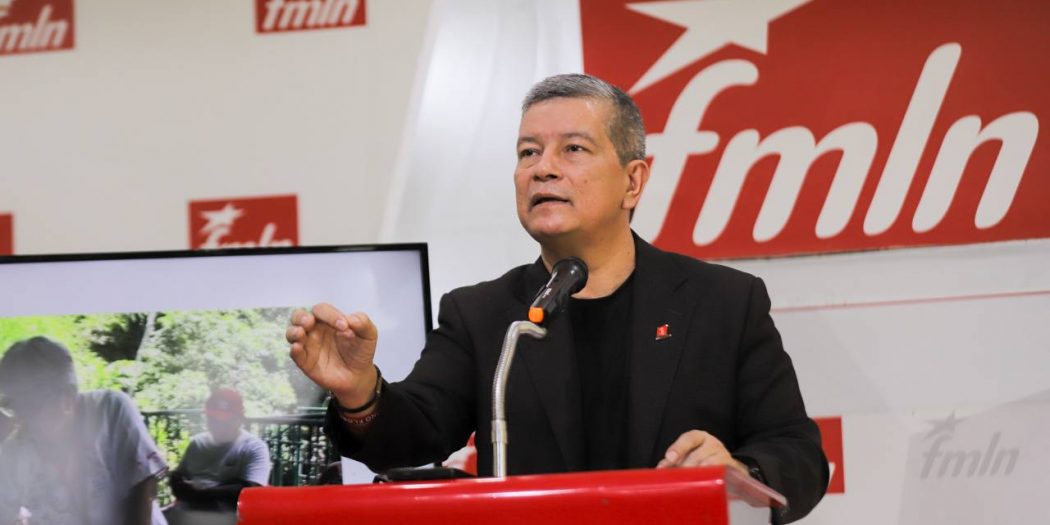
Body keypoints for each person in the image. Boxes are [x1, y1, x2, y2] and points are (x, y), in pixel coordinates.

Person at [286, 73, 829, 522]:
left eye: (573, 149)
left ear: (633, 182)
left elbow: (798, 454)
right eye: (529, 152)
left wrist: (738, 474)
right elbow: (411, 437)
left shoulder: (724, 302)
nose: (543, 168)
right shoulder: (482, 314)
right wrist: (360, 393)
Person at [0, 336, 169, 525]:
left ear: (66, 397)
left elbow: (143, 487)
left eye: (30, 406)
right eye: (13, 406)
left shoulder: (108, 410)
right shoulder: (15, 449)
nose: (20, 418)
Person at [165, 387, 270, 525]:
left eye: (222, 421)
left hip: (226, 518)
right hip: (186, 513)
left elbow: (251, 489)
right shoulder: (198, 442)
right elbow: (179, 475)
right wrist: (177, 483)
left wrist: (200, 494)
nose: (216, 425)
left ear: (238, 419)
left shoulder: (253, 447)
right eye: (212, 419)